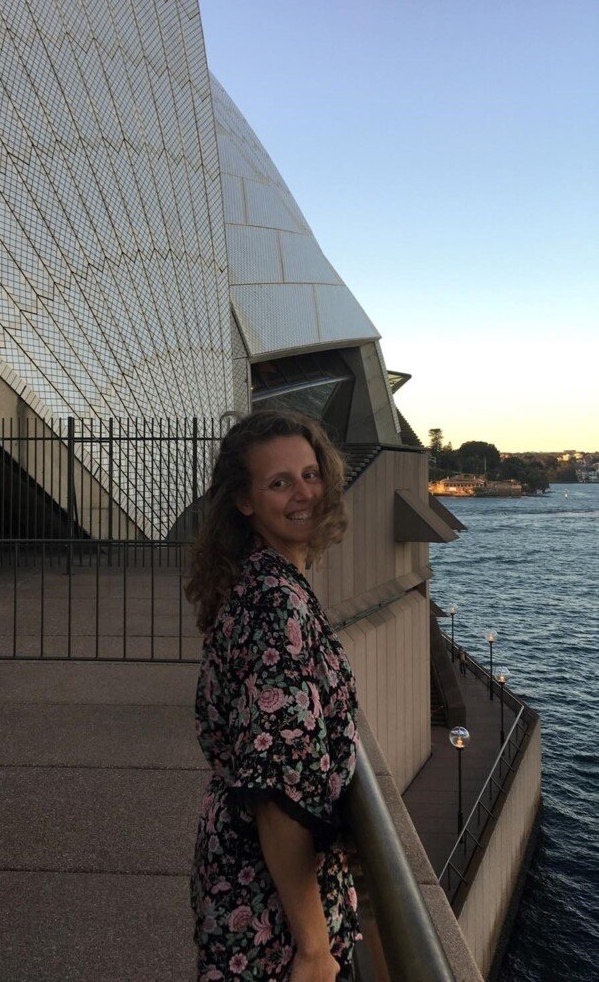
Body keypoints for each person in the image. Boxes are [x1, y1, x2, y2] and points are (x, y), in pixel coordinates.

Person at [186, 411, 361, 982]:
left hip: (244, 886)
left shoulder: (259, 582)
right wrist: (313, 948)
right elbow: (275, 789)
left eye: (310, 474)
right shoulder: (273, 603)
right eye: (279, 482)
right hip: (271, 915)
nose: (303, 493)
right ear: (245, 501)